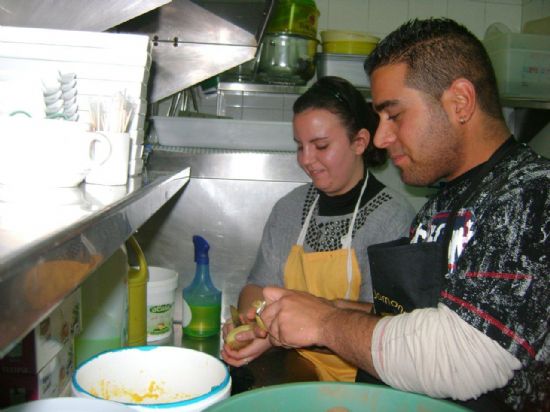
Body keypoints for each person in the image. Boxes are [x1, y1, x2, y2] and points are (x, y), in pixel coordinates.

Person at [258, 18, 549, 412]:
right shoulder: (441, 205)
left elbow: (462, 355)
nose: (380, 138)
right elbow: (406, 320)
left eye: (393, 115)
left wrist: (325, 325)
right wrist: (303, 315)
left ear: (459, 102)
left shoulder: (531, 194)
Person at [221, 76, 416, 382]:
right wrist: (253, 328)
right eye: (300, 146)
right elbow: (257, 287)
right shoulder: (289, 209)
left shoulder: (392, 219)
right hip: (294, 368)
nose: (306, 160)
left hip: (364, 381)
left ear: (360, 142)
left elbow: (387, 325)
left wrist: (283, 331)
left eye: (321, 146)